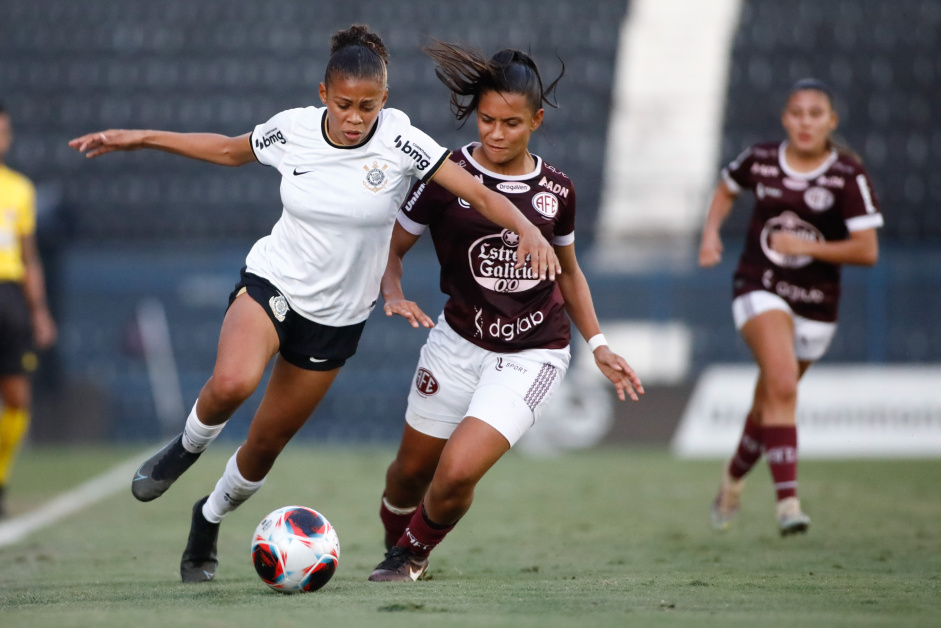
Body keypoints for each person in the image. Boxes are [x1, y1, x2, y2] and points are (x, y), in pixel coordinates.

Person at [69, 25, 561, 583]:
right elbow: (229, 150)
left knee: (264, 444)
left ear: (385, 101)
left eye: (368, 107)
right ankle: (183, 450)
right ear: (323, 95)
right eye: (345, 105)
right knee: (232, 384)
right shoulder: (291, 130)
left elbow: (474, 189)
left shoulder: (401, 140)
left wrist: (526, 226)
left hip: (337, 319)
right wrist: (140, 137)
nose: (356, 118)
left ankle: (206, 520)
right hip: (274, 282)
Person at [366, 42, 644, 582]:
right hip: (456, 342)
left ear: (536, 120)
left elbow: (570, 272)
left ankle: (411, 556)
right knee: (408, 475)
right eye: (487, 120)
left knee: (457, 471)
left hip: (532, 351)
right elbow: (391, 250)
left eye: (511, 123)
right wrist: (393, 291)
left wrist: (600, 344)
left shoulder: (556, 188)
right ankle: (396, 542)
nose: (495, 133)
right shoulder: (444, 177)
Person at [699, 78, 882, 536]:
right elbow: (726, 189)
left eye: (815, 113)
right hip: (759, 286)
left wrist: (806, 246)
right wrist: (710, 233)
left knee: (769, 404)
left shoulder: (846, 175)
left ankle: (733, 477)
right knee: (782, 384)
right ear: (785, 118)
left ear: (831, 121)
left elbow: (866, 251)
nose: (805, 122)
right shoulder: (760, 158)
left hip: (818, 306)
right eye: (797, 113)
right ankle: (788, 505)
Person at [0, 104, 58, 519]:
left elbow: (29, 256)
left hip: (10, 298)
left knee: (17, 397)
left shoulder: (19, 188)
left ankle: (0, 479)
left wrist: (39, 311)